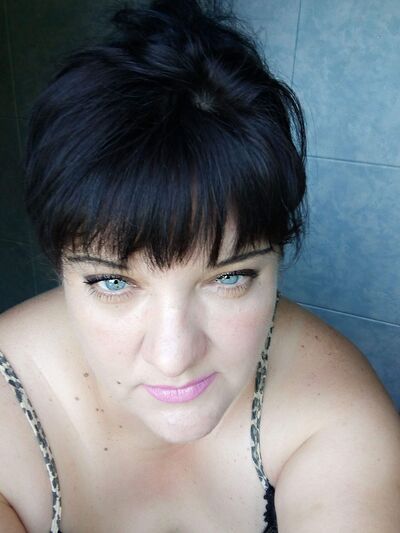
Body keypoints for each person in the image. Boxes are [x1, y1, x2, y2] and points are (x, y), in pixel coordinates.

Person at [0, 0, 399, 531]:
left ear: (277, 258)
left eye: (229, 277)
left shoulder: (335, 412)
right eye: (114, 282)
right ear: (60, 269)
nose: (174, 357)